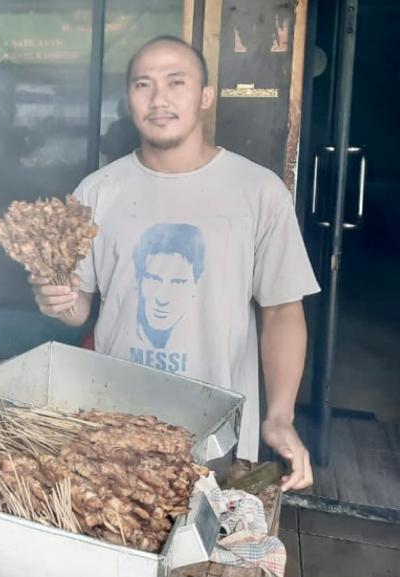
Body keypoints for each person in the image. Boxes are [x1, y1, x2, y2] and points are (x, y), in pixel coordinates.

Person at [31, 36, 320, 490]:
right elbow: (78, 308)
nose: (159, 98)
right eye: (143, 84)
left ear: (205, 96)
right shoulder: (96, 193)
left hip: (218, 440)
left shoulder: (258, 192)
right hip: (114, 428)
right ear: (129, 100)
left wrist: (279, 415)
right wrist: (53, 298)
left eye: (176, 82)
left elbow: (283, 310)